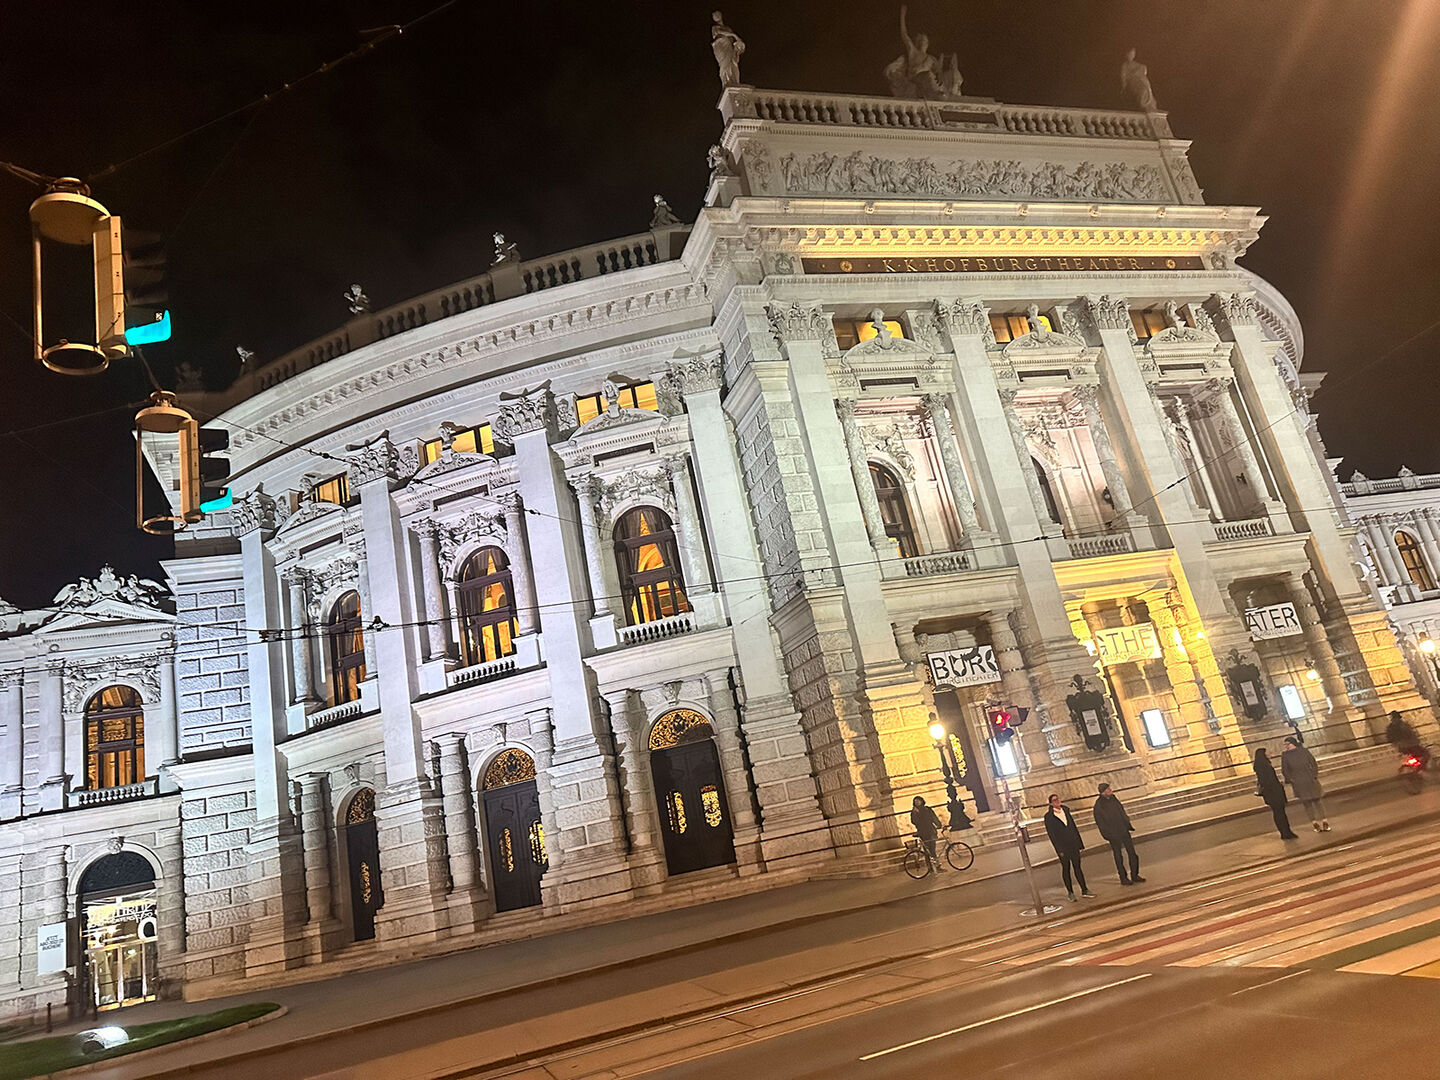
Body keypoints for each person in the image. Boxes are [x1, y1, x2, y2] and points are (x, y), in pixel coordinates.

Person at [1043, 794, 1095, 901]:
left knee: (1078, 867)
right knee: (1066, 868)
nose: (1057, 801)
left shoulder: (1066, 810)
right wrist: (1058, 849)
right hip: (1063, 847)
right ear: (1051, 803)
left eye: (1058, 799)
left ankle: (1084, 889)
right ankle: (1070, 892)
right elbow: (1052, 835)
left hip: (1073, 844)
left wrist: (1079, 843)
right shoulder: (1049, 816)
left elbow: (1073, 827)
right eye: (1054, 800)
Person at [1093, 783, 1145, 885]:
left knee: (1132, 853)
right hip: (1113, 834)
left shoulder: (1114, 799)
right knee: (1118, 856)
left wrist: (1126, 822)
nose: (1110, 790)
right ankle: (1123, 877)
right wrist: (1107, 834)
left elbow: (1121, 811)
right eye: (1108, 789)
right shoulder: (1099, 805)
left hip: (1123, 830)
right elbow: (1100, 822)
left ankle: (1135, 874)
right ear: (1103, 792)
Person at [1281, 735, 1330, 832]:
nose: (1286, 746)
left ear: (1293, 743)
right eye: (1285, 745)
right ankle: (1314, 822)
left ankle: (1325, 821)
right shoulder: (1285, 755)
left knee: (1318, 801)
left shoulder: (1303, 751)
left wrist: (1314, 775)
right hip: (1299, 782)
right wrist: (1291, 779)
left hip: (1310, 779)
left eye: (1288, 744)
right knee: (1307, 803)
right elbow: (1285, 770)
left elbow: (1313, 763)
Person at [1254, 747, 1299, 840]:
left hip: (1271, 793)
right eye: (1267, 752)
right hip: (1273, 792)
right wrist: (1277, 786)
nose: (1269, 753)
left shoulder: (1262, 766)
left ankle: (1285, 832)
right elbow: (1268, 781)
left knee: (1279, 813)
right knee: (1279, 813)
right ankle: (1285, 832)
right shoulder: (1264, 766)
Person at [910, 795, 945, 871]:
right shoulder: (914, 812)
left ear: (922, 801)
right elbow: (914, 822)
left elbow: (933, 817)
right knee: (927, 851)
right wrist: (915, 813)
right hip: (923, 833)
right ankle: (931, 867)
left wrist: (939, 824)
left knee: (932, 850)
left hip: (931, 831)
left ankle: (937, 866)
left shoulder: (927, 809)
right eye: (915, 801)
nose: (917, 802)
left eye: (918, 801)